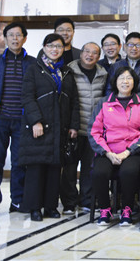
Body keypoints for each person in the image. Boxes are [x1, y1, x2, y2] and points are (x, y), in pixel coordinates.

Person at [0, 22, 36, 218]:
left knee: (19, 162)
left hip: (22, 121)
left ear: (24, 38)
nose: (15, 38)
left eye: (18, 35)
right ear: (5, 38)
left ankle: (17, 200)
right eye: (11, 35)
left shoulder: (33, 63)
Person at [19, 33, 79, 222]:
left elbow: (74, 101)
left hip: (60, 127)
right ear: (44, 47)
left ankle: (50, 206)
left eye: (59, 46)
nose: (55, 50)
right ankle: (34, 207)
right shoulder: (34, 69)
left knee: (55, 168)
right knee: (36, 168)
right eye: (51, 46)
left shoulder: (66, 72)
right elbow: (27, 97)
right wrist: (35, 121)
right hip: (39, 127)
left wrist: (73, 125)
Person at [89, 66, 140, 226]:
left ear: (134, 82)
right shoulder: (104, 103)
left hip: (133, 152)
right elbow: (94, 131)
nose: (125, 82)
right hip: (107, 150)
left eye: (129, 78)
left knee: (129, 172)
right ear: (115, 82)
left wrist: (129, 151)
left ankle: (127, 209)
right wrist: (107, 152)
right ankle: (105, 209)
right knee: (99, 172)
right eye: (121, 78)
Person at [61, 42, 108, 213]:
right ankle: (69, 202)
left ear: (98, 56)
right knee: (69, 168)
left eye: (94, 53)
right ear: (80, 54)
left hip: (94, 129)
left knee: (89, 167)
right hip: (73, 128)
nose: (90, 55)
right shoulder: (69, 71)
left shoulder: (103, 74)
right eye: (87, 51)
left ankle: (86, 201)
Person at [106, 32, 140, 105]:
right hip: (118, 105)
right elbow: (109, 89)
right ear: (125, 46)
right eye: (131, 45)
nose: (134, 48)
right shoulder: (115, 66)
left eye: (138, 45)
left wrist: (134, 98)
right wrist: (119, 100)